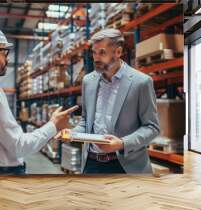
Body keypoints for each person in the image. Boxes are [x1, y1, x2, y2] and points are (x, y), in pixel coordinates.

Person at [0, 25, 78, 174]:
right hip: (3, 173)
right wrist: (53, 124)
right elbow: (19, 146)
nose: (7, 58)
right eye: (4, 51)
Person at [61, 28, 160, 174]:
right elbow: (86, 121)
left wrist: (122, 143)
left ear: (118, 52)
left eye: (102, 53)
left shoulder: (141, 82)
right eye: (94, 53)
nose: (96, 58)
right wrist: (72, 133)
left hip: (125, 166)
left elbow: (152, 127)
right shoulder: (89, 81)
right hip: (91, 164)